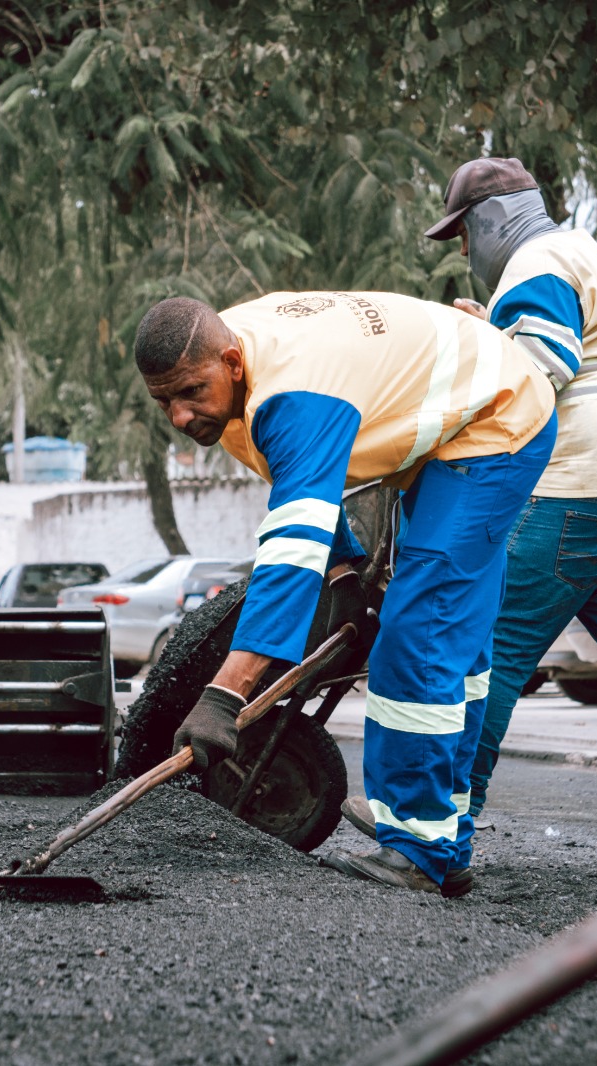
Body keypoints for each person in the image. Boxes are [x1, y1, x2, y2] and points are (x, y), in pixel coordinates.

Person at [343, 157, 597, 874]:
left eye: (463, 235)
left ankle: (440, 830)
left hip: (584, 483)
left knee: (487, 648)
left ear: (492, 220)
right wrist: (492, 333)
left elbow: (539, 371)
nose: (464, 253)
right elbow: (565, 348)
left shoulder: (533, 262)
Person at [135, 291, 556, 896]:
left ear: (231, 363)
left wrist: (224, 696)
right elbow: (304, 488)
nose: (179, 416)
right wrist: (346, 571)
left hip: (496, 418)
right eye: (163, 402)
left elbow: (290, 554)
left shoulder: (292, 395)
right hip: (455, 422)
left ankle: (419, 850)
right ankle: (444, 836)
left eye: (190, 393)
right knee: (449, 639)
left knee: (419, 635)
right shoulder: (229, 374)